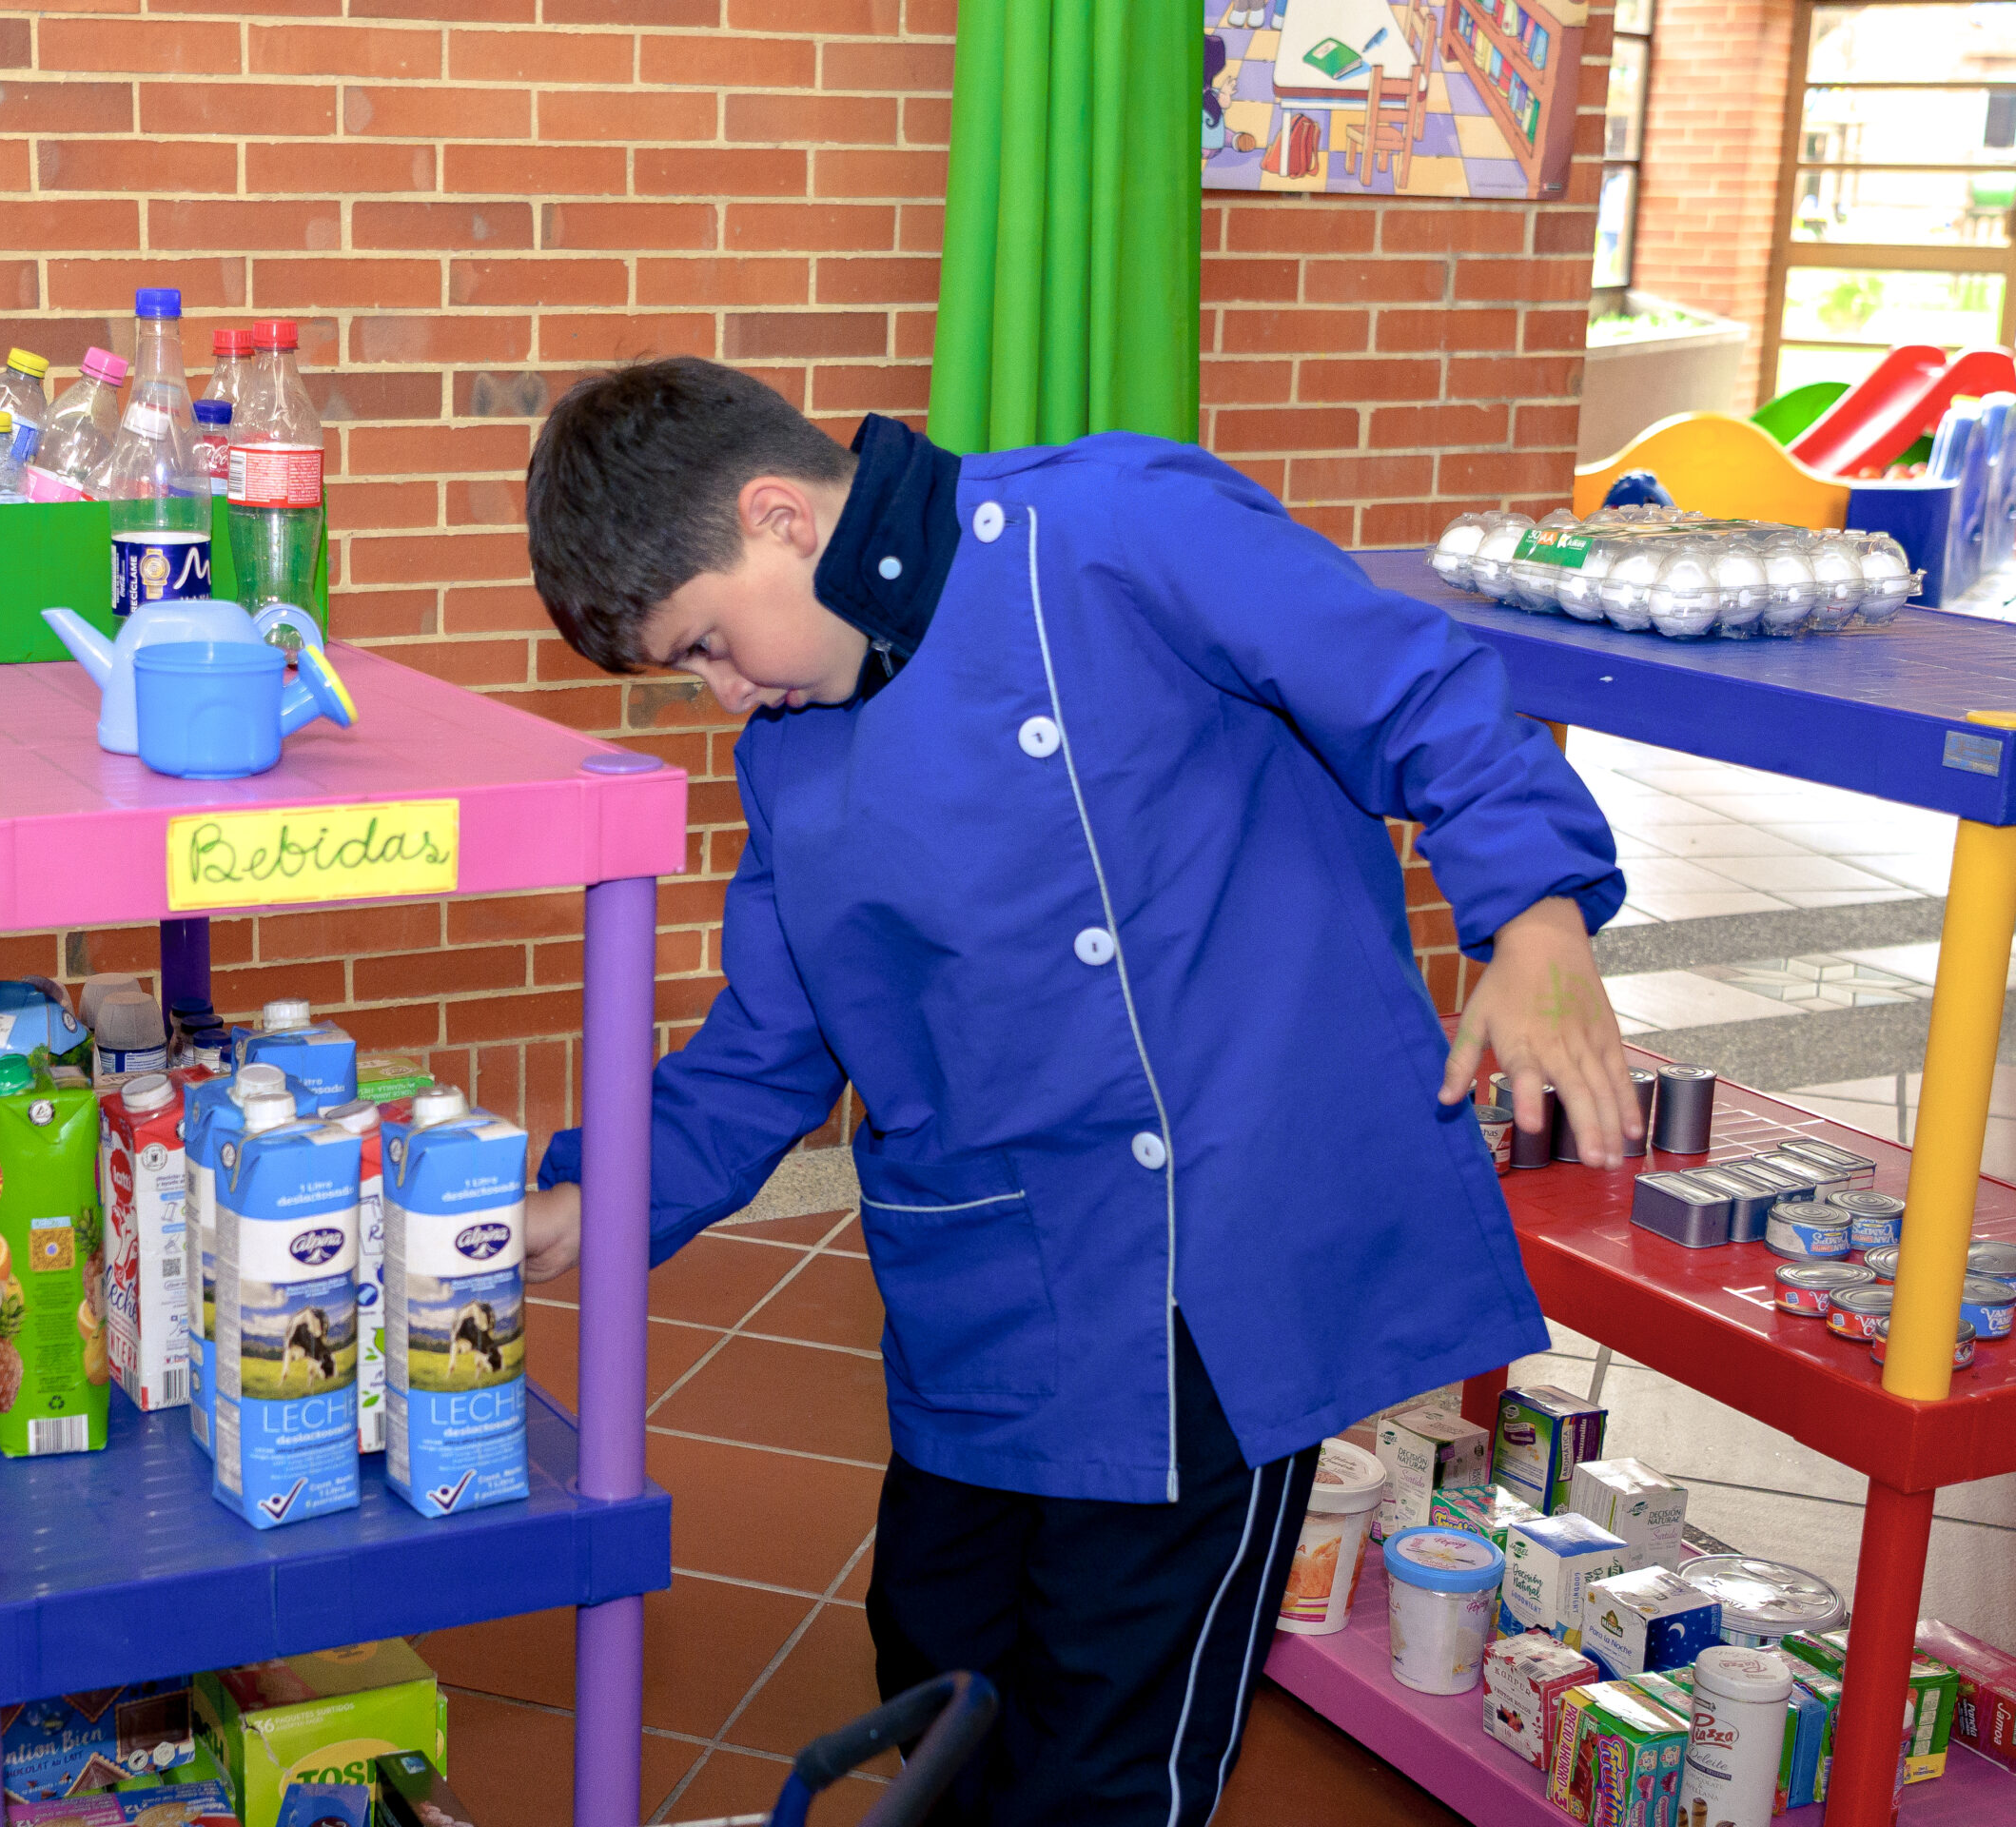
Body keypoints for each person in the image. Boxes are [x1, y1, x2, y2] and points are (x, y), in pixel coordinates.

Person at [519, 357, 1634, 1824]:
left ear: (779, 516)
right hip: (985, 1286)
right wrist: (597, 1199)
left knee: (1108, 1755)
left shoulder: (1115, 526)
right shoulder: (791, 757)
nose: (724, 692)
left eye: (709, 645)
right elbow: (768, 1041)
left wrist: (1537, 909)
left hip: (1207, 1275)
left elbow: (1414, 688)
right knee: (937, 1675)